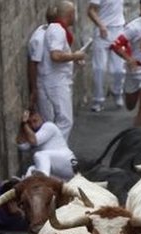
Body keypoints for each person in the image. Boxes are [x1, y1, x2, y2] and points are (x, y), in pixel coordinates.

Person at [38, 1, 85, 141]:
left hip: (57, 80)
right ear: (70, 14)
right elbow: (56, 56)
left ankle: (57, 150)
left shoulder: (56, 29)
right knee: (65, 121)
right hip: (56, 82)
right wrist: (75, 56)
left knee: (62, 120)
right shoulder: (57, 29)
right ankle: (56, 150)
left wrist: (73, 58)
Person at [110, 0, 141, 127]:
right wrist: (128, 58)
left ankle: (136, 133)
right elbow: (116, 45)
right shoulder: (133, 27)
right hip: (134, 71)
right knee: (130, 106)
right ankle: (135, 93)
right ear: (140, 9)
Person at [16, 109, 77, 180]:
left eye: (35, 121)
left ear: (41, 118)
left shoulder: (49, 126)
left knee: (40, 155)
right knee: (31, 170)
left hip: (70, 162)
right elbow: (22, 146)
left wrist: (25, 124)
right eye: (29, 123)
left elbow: (34, 141)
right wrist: (22, 126)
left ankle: (43, 181)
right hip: (59, 170)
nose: (33, 125)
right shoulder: (32, 134)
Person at [87, 0, 126, 112]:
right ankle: (98, 100)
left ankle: (117, 92)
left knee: (118, 70)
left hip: (118, 30)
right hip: (102, 31)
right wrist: (101, 25)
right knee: (99, 69)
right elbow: (90, 11)